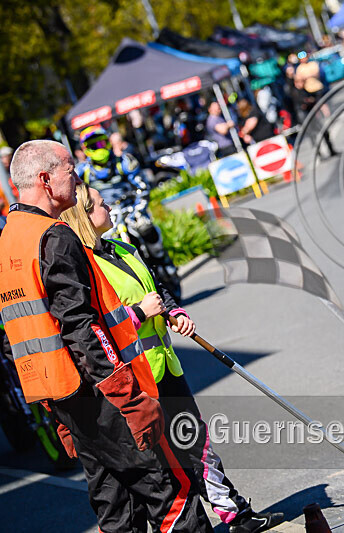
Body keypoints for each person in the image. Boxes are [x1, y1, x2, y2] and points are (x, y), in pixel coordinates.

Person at [0, 140, 213, 532]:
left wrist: (59, 415)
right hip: (102, 396)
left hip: (67, 399)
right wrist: (129, 399)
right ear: (46, 180)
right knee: (173, 494)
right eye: (70, 170)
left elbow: (26, 337)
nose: (77, 177)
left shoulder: (10, 239)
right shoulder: (54, 236)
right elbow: (82, 328)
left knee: (117, 509)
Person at [59, 184, 284, 532]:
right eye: (101, 205)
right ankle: (201, 521)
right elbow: (95, 325)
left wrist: (172, 310)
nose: (109, 208)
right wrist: (139, 313)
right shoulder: (85, 267)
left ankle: (234, 514)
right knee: (166, 463)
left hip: (165, 366)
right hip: (134, 380)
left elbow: (155, 288)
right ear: (85, 215)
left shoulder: (121, 247)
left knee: (197, 442)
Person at [76, 125, 147, 204]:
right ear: (85, 149)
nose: (99, 148)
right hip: (101, 213)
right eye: (94, 146)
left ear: (108, 142)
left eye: (101, 144)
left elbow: (143, 189)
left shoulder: (123, 162)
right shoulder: (82, 171)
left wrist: (137, 209)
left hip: (128, 209)